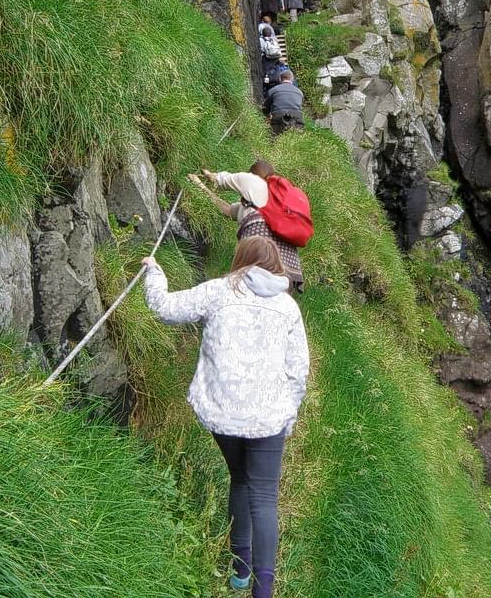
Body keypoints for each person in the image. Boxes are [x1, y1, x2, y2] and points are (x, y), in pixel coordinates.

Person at [142, 236, 309, 598]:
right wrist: (289, 416)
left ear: (242, 259)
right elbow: (299, 371)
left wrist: (154, 272)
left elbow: (166, 308)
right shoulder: (287, 308)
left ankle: (239, 572)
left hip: (224, 413)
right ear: (277, 267)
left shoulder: (219, 290)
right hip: (268, 418)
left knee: (239, 479)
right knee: (264, 498)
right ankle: (262, 591)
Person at [188, 160, 304, 292]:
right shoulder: (263, 207)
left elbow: (219, 180)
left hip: (261, 260)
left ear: (252, 174)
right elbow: (227, 210)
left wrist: (205, 175)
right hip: (289, 270)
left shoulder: (253, 181)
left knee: (243, 296)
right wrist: (201, 187)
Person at [265, 70, 304, 135]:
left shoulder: (273, 90)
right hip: (296, 117)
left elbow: (265, 108)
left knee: (276, 137)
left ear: (280, 79)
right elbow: (300, 107)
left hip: (278, 116)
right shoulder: (300, 92)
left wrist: (268, 116)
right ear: (292, 79)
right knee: (296, 138)